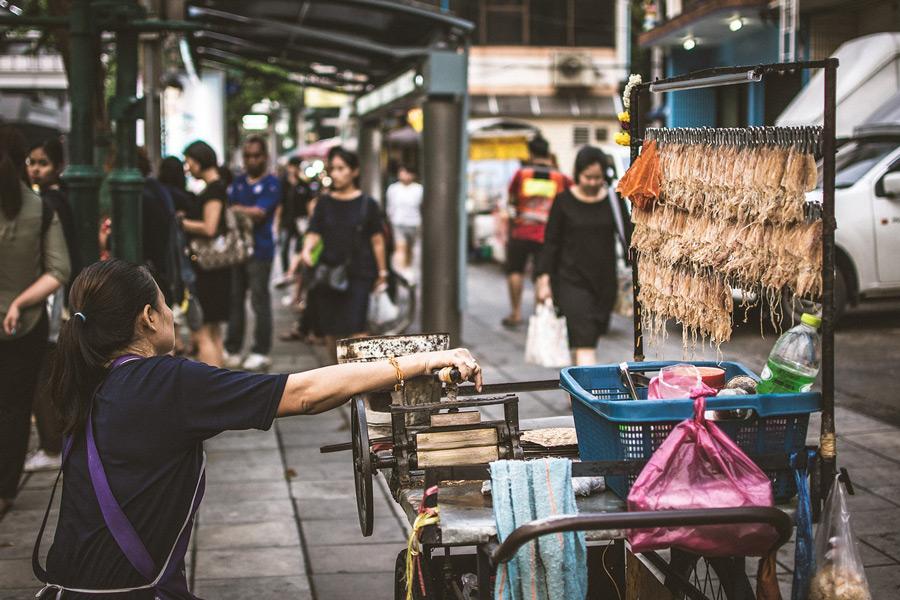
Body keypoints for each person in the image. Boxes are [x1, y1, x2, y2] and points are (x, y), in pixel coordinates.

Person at [34, 259, 481, 598]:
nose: (171, 313)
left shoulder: (90, 380)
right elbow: (303, 394)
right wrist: (422, 361)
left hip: (72, 583)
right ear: (149, 317)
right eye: (166, 304)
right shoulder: (164, 384)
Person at [0, 125, 71, 514]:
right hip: (25, 325)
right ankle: (4, 489)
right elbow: (59, 270)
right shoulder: (40, 209)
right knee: (14, 408)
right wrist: (19, 303)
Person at [535, 146, 630, 366]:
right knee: (585, 339)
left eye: (598, 177)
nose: (593, 182)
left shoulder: (613, 200)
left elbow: (627, 236)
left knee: (585, 339)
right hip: (570, 281)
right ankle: (586, 387)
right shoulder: (563, 201)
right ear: (578, 174)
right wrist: (543, 279)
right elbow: (550, 243)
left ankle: (574, 384)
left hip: (604, 284)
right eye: (588, 177)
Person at [300, 146, 388, 362]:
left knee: (358, 328)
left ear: (354, 171)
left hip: (359, 273)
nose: (336, 174)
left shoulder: (368, 204)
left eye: (341, 168)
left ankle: (360, 377)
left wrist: (382, 272)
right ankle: (338, 372)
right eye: (333, 169)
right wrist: (307, 250)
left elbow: (377, 241)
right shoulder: (324, 203)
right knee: (332, 331)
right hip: (329, 273)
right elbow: (314, 232)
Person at [22, 138, 77, 473]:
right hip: (58, 296)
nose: (35, 169)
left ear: (57, 166)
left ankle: (52, 443)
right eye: (32, 162)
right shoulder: (58, 198)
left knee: (45, 369)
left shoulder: (48, 203)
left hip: (53, 299)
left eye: (42, 163)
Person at [502, 135, 572, 329]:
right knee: (542, 274)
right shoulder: (560, 177)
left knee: (515, 270)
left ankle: (515, 313)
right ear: (547, 152)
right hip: (547, 234)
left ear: (531, 153)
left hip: (521, 231)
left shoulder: (521, 174)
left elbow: (511, 200)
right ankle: (538, 313)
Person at [224, 136, 281, 372]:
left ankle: (260, 350)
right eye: (247, 156)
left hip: (260, 250)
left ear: (265, 157)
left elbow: (259, 213)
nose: (251, 160)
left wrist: (237, 210)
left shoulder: (272, 183)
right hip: (236, 251)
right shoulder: (238, 182)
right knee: (234, 299)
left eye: (256, 156)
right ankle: (233, 347)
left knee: (259, 300)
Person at [179, 141, 230, 367]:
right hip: (216, 269)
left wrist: (182, 223)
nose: (188, 168)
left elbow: (210, 227)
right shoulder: (217, 187)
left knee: (202, 332)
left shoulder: (213, 190)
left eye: (189, 162)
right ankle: (221, 382)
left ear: (199, 161)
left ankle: (212, 383)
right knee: (214, 331)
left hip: (208, 269)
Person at [385, 164, 423, 275]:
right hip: (398, 222)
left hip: (414, 223)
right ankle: (401, 273)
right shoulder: (393, 189)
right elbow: (390, 207)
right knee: (400, 247)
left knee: (412, 249)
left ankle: (410, 272)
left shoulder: (419, 189)